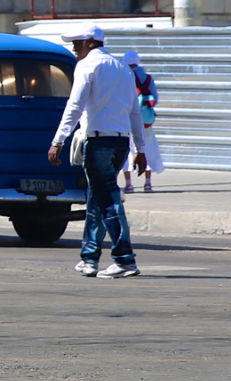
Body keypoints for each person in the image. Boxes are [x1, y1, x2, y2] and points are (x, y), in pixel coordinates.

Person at [46, 24, 143, 279]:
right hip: (120, 142)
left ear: (90, 42)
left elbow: (75, 105)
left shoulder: (87, 65)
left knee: (108, 201)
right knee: (97, 199)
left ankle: (124, 259)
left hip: (99, 142)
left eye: (77, 43)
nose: (74, 48)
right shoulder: (122, 68)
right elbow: (134, 111)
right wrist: (140, 148)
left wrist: (58, 140)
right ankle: (89, 258)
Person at [121, 50, 162, 194]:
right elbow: (154, 99)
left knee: (128, 150)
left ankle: (129, 184)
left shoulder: (124, 77)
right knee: (148, 149)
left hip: (128, 120)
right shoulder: (148, 78)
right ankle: (148, 183)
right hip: (146, 122)